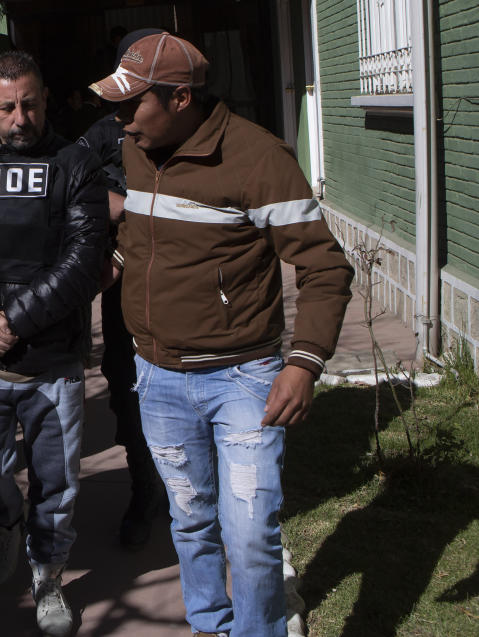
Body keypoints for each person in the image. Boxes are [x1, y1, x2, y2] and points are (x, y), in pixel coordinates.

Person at [91, 33, 354, 637]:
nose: (121, 119)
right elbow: (147, 240)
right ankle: (210, 623)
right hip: (156, 376)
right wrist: (115, 268)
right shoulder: (138, 148)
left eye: (133, 105)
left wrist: (303, 365)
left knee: (252, 535)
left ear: (180, 98)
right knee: (189, 520)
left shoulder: (258, 159)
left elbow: (324, 266)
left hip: (242, 380)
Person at [0, 51, 107, 637]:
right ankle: (7, 523)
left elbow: (83, 261)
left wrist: (11, 318)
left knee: (56, 485)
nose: (20, 117)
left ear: (45, 99)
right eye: (7, 107)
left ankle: (49, 577)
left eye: (30, 104)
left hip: (53, 363)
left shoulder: (75, 163)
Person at [77, 26, 169, 552]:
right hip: (123, 288)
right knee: (126, 388)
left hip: (183, 284)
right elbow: (65, 180)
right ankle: (143, 488)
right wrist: (113, 209)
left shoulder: (192, 132)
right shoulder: (104, 133)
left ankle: (194, 497)